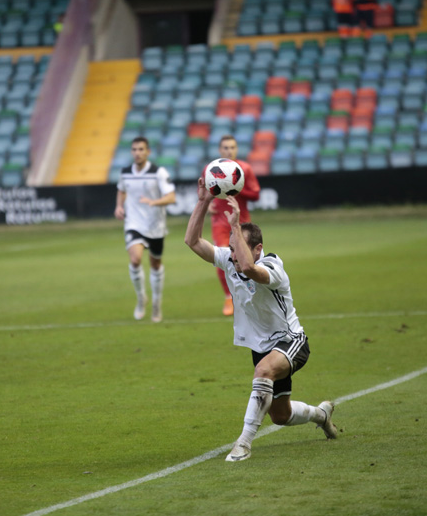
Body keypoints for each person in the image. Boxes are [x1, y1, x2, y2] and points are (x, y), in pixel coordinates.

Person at [184, 180, 338, 462]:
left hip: (290, 341)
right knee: (281, 416)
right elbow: (192, 241)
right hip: (261, 346)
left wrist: (234, 226)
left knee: (263, 371)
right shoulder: (230, 259)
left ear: (258, 248)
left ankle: (243, 444)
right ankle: (321, 414)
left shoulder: (273, 267)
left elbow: (249, 268)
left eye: (238, 247)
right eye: (230, 248)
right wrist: (204, 201)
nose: (232, 254)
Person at [114, 137, 176, 322]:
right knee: (135, 260)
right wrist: (119, 206)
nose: (137, 153)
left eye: (141, 149)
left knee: (155, 264)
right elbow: (121, 190)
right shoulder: (125, 173)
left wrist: (154, 202)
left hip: (155, 225)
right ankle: (141, 298)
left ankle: (156, 303)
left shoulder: (158, 172)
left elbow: (171, 197)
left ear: (148, 152)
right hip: (133, 223)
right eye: (134, 149)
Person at [209, 135, 261, 316]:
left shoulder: (244, 169)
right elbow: (204, 191)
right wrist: (207, 204)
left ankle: (251, 294)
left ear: (237, 149)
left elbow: (255, 194)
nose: (229, 151)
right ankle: (228, 297)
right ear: (220, 150)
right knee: (221, 259)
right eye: (225, 147)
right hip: (220, 222)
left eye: (232, 147)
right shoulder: (211, 169)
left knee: (248, 259)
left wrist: (236, 186)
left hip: (242, 221)